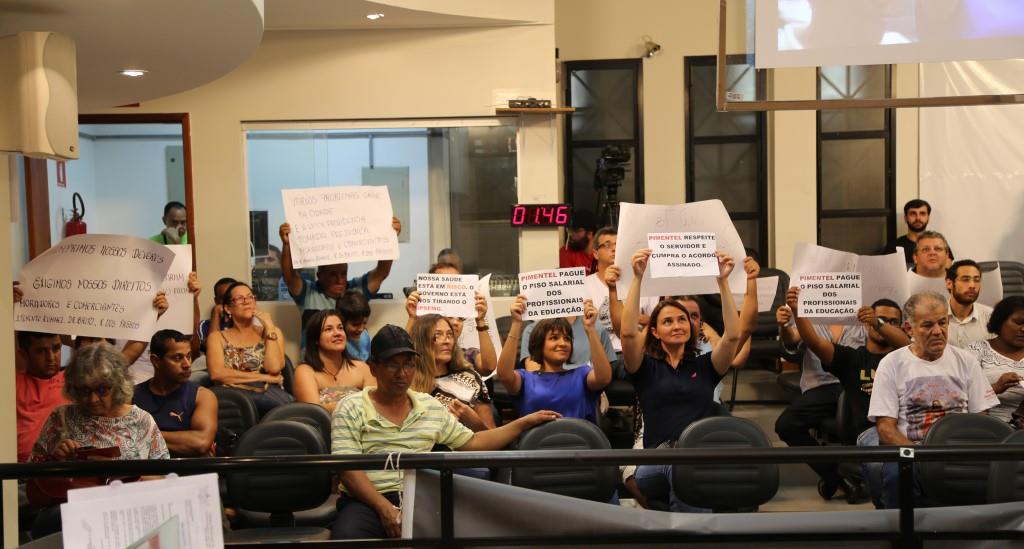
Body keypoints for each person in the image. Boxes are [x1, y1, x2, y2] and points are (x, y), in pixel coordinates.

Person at [329, 324, 561, 540]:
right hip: (365, 502)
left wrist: (522, 423)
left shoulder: (429, 407)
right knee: (347, 538)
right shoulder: (351, 407)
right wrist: (385, 508)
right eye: (392, 364)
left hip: (421, 498)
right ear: (373, 367)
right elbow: (348, 469)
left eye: (408, 364)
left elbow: (474, 442)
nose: (402, 373)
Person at [621, 249, 743, 512]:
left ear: (693, 327)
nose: (677, 325)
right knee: (681, 465)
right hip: (655, 461)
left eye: (682, 320)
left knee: (696, 469)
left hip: (699, 456)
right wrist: (637, 278)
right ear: (655, 331)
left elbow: (733, 336)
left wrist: (722, 282)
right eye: (667, 321)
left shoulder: (705, 366)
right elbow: (629, 335)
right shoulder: (645, 368)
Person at [868, 291, 999, 509]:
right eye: (928, 325)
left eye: (942, 323)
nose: (938, 331)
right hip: (911, 451)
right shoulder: (891, 364)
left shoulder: (966, 361)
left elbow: (980, 418)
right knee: (895, 476)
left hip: (958, 450)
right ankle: (902, 538)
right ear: (909, 329)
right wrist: (921, 457)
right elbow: (886, 429)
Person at [28, 342, 169, 537]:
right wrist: (58, 459)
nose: (92, 399)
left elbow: (163, 481)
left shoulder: (140, 420)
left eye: (102, 390)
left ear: (118, 385)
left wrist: (119, 473)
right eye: (84, 391)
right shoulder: (61, 417)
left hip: (129, 513)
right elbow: (33, 474)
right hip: (71, 514)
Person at [786, 287, 908, 501]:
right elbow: (815, 343)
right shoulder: (852, 359)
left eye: (892, 322)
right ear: (866, 321)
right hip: (873, 434)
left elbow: (908, 344)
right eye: (880, 318)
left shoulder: (908, 357)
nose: (885, 324)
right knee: (884, 468)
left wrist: (879, 322)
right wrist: (798, 311)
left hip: (908, 428)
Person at [774, 297, 866, 499]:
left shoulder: (861, 315)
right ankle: (837, 475)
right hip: (822, 386)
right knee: (785, 425)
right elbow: (792, 339)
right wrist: (783, 326)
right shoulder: (809, 313)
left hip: (857, 385)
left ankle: (858, 476)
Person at [497, 299, 611, 423]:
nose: (563, 343)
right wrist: (516, 323)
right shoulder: (526, 379)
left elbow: (603, 378)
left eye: (567, 339)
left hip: (578, 441)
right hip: (536, 442)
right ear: (540, 344)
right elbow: (504, 375)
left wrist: (590, 329)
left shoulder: (582, 374)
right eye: (554, 338)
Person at [279, 218, 401, 315]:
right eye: (333, 274)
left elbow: (382, 272)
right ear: (319, 275)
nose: (340, 280)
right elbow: (289, 277)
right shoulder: (309, 293)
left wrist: (390, 237)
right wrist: (287, 244)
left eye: (343, 274)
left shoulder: (356, 291)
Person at [206, 281, 293, 414]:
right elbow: (217, 374)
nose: (246, 301)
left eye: (250, 297)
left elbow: (274, 368)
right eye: (240, 298)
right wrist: (265, 378)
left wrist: (269, 327)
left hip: (268, 398)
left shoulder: (272, 332)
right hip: (233, 403)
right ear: (228, 308)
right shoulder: (217, 337)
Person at [134, 329, 218, 457]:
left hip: (186, 473)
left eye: (188, 356)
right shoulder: (133, 396)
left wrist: (141, 434)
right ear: (156, 361)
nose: (187, 364)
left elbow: (201, 443)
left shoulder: (202, 396)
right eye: (178, 358)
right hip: (145, 472)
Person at [409, 315, 495, 432]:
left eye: (450, 335)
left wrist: (474, 422)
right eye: (438, 335)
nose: (447, 341)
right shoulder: (406, 380)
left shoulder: (470, 378)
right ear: (421, 341)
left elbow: (492, 439)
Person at [293, 310, 376, 413]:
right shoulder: (305, 371)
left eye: (340, 328)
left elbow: (375, 405)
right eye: (328, 329)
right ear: (316, 339)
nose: (337, 333)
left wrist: (330, 406)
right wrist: (358, 404)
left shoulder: (362, 368)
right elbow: (315, 413)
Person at [404, 286, 497, 376]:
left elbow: (488, 368)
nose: (456, 322)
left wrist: (480, 321)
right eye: (449, 316)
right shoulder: (417, 355)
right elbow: (403, 358)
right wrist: (412, 318)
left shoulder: (467, 355)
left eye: (461, 318)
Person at [967, 296, 1024, 427]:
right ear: (1000, 321)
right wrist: (995, 388)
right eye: (1018, 322)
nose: (1023, 329)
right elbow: (958, 398)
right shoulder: (975, 351)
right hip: (988, 428)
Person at [15, 332, 67, 463]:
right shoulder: (11, 382)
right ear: (24, 355)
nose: (51, 357)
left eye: (56, 348)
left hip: (62, 467)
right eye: (41, 351)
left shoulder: (72, 379)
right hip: (17, 472)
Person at [946, 259, 993, 349]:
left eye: (976, 280)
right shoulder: (933, 316)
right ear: (949, 283)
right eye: (965, 280)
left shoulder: (990, 317)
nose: (972, 285)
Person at [198, 276, 237, 353]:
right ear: (216, 301)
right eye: (223, 298)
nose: (228, 301)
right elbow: (211, 348)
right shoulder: (204, 325)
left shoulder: (250, 323)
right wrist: (215, 312)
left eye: (232, 296)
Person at [336, 289, 373, 361]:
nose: (361, 329)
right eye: (355, 324)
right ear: (341, 321)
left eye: (365, 323)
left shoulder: (365, 335)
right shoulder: (338, 342)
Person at [559, 210, 596, 274]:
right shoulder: (565, 252)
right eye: (570, 230)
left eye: (576, 231)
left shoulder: (603, 253)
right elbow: (569, 281)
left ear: (590, 233)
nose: (571, 234)